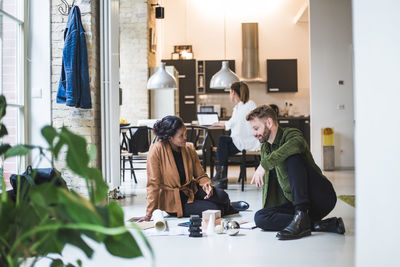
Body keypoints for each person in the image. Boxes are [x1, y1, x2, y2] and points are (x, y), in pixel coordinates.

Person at [246, 105, 345, 240]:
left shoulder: (291, 134)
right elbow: (271, 186)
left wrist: (264, 164)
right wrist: (271, 214)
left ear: (269, 123)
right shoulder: (265, 148)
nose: (253, 133)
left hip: (320, 197)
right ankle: (316, 224)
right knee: (260, 217)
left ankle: (301, 215)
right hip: (295, 203)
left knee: (292, 156)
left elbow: (296, 144)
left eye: (256, 128)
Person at [133, 116, 248, 222]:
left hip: (191, 189)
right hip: (174, 201)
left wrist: (206, 185)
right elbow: (153, 184)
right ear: (170, 138)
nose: (185, 138)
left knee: (223, 195)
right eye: (181, 136)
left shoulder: (189, 148)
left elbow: (200, 175)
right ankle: (227, 207)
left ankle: (225, 204)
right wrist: (149, 214)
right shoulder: (156, 150)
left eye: (185, 134)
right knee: (215, 209)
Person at [212, 81, 260, 189]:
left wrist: (221, 124)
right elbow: (231, 123)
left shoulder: (248, 105)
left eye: (230, 92)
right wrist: (221, 123)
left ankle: (221, 177)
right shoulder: (240, 106)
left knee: (222, 144)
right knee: (222, 143)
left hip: (246, 141)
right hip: (240, 140)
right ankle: (221, 177)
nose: (230, 95)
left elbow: (233, 124)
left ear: (233, 92)